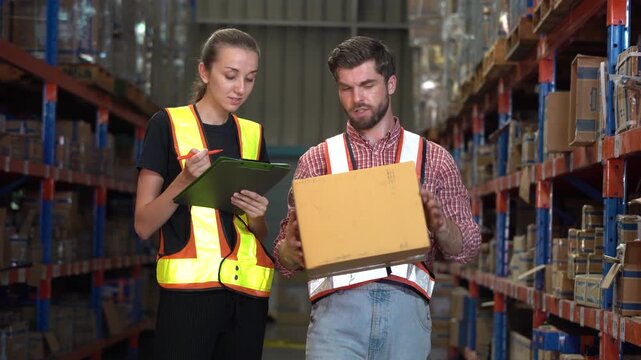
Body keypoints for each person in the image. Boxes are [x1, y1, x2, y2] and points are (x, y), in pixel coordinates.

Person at [273, 36, 481, 359]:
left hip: (407, 319)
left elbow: (467, 248)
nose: (357, 98)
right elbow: (285, 262)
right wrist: (288, 249)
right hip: (336, 320)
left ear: (391, 83)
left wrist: (441, 227)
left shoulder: (433, 159)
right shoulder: (317, 160)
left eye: (367, 84)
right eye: (346, 88)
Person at [134, 28, 274, 360]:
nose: (241, 89)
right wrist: (183, 181)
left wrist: (257, 216)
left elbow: (260, 233)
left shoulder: (253, 135)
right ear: (204, 71)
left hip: (246, 300)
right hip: (188, 300)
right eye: (230, 76)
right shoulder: (166, 125)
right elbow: (143, 224)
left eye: (250, 79)